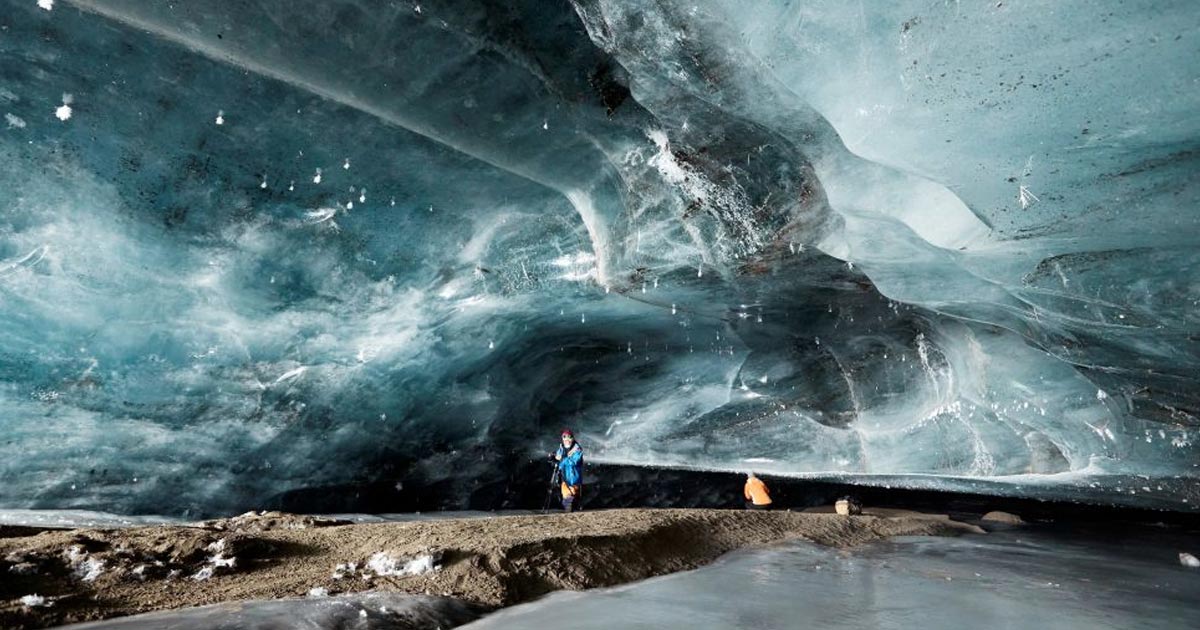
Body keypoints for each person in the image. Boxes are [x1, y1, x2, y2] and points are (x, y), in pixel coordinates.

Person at [552, 429, 584, 512]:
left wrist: (562, 459)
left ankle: (572, 508)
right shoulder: (561, 448)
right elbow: (558, 458)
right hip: (563, 476)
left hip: (573, 477)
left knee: (570, 495)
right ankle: (570, 509)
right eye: (564, 437)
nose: (567, 440)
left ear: (572, 438)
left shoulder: (577, 449)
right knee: (565, 495)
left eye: (569, 437)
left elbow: (574, 461)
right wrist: (553, 458)